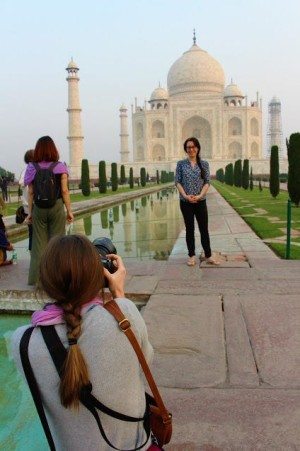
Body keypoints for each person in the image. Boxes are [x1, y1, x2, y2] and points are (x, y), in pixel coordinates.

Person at [12, 234, 155, 450]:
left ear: (46, 281)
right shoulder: (124, 316)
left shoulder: (22, 343)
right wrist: (119, 294)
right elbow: (144, 362)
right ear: (100, 275)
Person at [24, 136, 74, 285]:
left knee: (38, 246)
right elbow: (65, 191)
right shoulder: (60, 166)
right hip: (57, 207)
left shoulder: (32, 167)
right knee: (58, 244)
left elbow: (31, 192)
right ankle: (58, 281)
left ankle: (36, 280)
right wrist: (69, 211)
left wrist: (31, 213)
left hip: (39, 208)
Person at [175, 137, 219, 266]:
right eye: (188, 147)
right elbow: (177, 182)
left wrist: (199, 196)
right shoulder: (181, 164)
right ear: (186, 149)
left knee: (203, 228)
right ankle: (191, 256)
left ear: (198, 148)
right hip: (185, 201)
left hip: (200, 201)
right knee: (190, 229)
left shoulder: (204, 164)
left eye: (193, 147)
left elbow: (207, 182)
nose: (191, 149)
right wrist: (185, 195)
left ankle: (208, 255)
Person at [18, 149, 34, 251]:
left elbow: (21, 182)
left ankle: (32, 253)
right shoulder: (31, 170)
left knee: (32, 232)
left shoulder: (25, 171)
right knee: (35, 232)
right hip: (32, 206)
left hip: (27, 207)